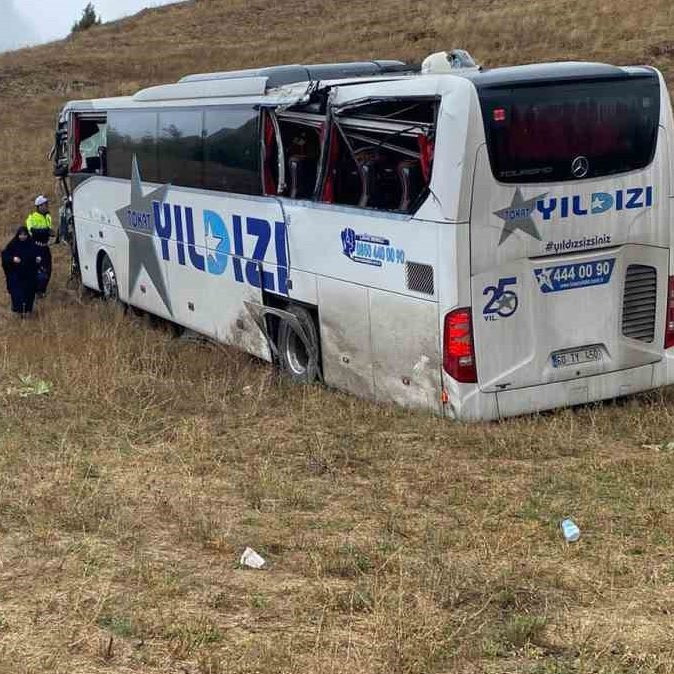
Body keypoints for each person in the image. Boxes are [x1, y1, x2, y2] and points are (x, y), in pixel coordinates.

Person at [1, 226, 41, 317]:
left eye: (24, 235)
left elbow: (37, 255)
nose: (23, 237)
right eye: (21, 235)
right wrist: (13, 259)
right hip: (16, 274)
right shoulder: (13, 244)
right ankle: (18, 312)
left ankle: (27, 312)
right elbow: (5, 255)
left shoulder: (31, 244)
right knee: (17, 294)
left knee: (28, 294)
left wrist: (38, 259)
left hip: (29, 274)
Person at [25, 195, 53, 297]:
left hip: (45, 247)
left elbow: (49, 230)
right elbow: (32, 231)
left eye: (47, 204)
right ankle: (38, 291)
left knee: (48, 268)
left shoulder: (48, 216)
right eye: (45, 204)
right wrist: (46, 231)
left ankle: (42, 290)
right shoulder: (32, 217)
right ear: (39, 206)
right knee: (40, 270)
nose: (47, 206)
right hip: (36, 247)